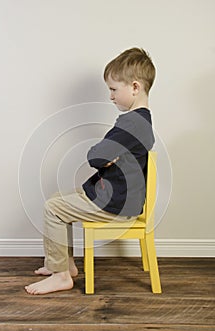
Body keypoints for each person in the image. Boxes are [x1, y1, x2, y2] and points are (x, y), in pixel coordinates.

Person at [25, 47, 156, 295]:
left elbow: (96, 157)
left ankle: (61, 275)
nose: (111, 96)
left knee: (53, 209)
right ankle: (65, 264)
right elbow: (103, 157)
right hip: (119, 197)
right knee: (57, 200)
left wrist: (103, 157)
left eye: (114, 89)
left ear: (135, 87)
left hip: (116, 204)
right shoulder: (142, 121)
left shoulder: (131, 123)